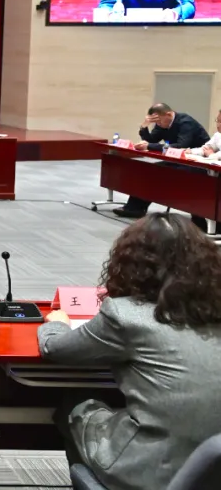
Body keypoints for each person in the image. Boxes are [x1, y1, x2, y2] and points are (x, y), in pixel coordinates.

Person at [37, 214, 221, 490]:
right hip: (214, 470)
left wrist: (57, 324)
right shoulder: (215, 312)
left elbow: (55, 349)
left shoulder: (124, 315)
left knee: (76, 403)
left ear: (131, 264)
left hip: (150, 472)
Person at [114, 103, 210, 223]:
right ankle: (134, 208)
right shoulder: (163, 123)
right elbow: (151, 140)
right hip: (179, 160)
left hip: (197, 163)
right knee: (149, 171)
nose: (158, 124)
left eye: (159, 121)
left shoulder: (186, 122)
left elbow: (181, 145)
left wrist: (149, 146)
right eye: (156, 123)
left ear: (168, 114)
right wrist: (144, 126)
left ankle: (200, 218)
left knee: (170, 175)